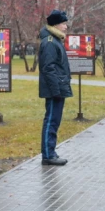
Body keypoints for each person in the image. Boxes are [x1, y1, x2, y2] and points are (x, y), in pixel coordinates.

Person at [38, 10, 72, 165]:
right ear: (56, 24)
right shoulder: (50, 42)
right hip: (54, 90)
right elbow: (48, 68)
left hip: (58, 87)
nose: (66, 27)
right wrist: (56, 91)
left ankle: (51, 151)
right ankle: (48, 155)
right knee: (51, 120)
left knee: (54, 121)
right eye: (64, 23)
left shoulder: (56, 40)